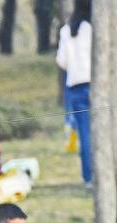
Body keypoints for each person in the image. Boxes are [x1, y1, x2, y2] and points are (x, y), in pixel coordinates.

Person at [56, 0, 92, 188]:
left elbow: (61, 61)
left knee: (85, 134)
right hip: (96, 84)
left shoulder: (66, 30)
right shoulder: (93, 28)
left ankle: (88, 178)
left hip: (75, 86)